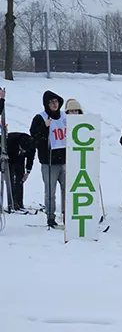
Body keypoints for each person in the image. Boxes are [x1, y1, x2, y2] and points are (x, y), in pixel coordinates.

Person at [29, 90, 66, 228]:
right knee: (50, 192)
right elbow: (34, 138)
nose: (54, 104)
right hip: (49, 161)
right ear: (46, 104)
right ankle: (51, 217)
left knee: (67, 190)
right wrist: (44, 128)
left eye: (56, 101)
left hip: (65, 160)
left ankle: (67, 214)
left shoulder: (64, 116)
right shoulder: (40, 118)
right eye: (51, 102)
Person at [3, 125, 35, 212]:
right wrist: (3, 171)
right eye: (22, 149)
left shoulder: (32, 144)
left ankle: (19, 203)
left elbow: (30, 158)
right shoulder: (10, 140)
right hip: (9, 160)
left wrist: (28, 171)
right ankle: (11, 203)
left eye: (25, 151)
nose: (23, 151)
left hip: (20, 161)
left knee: (19, 181)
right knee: (10, 181)